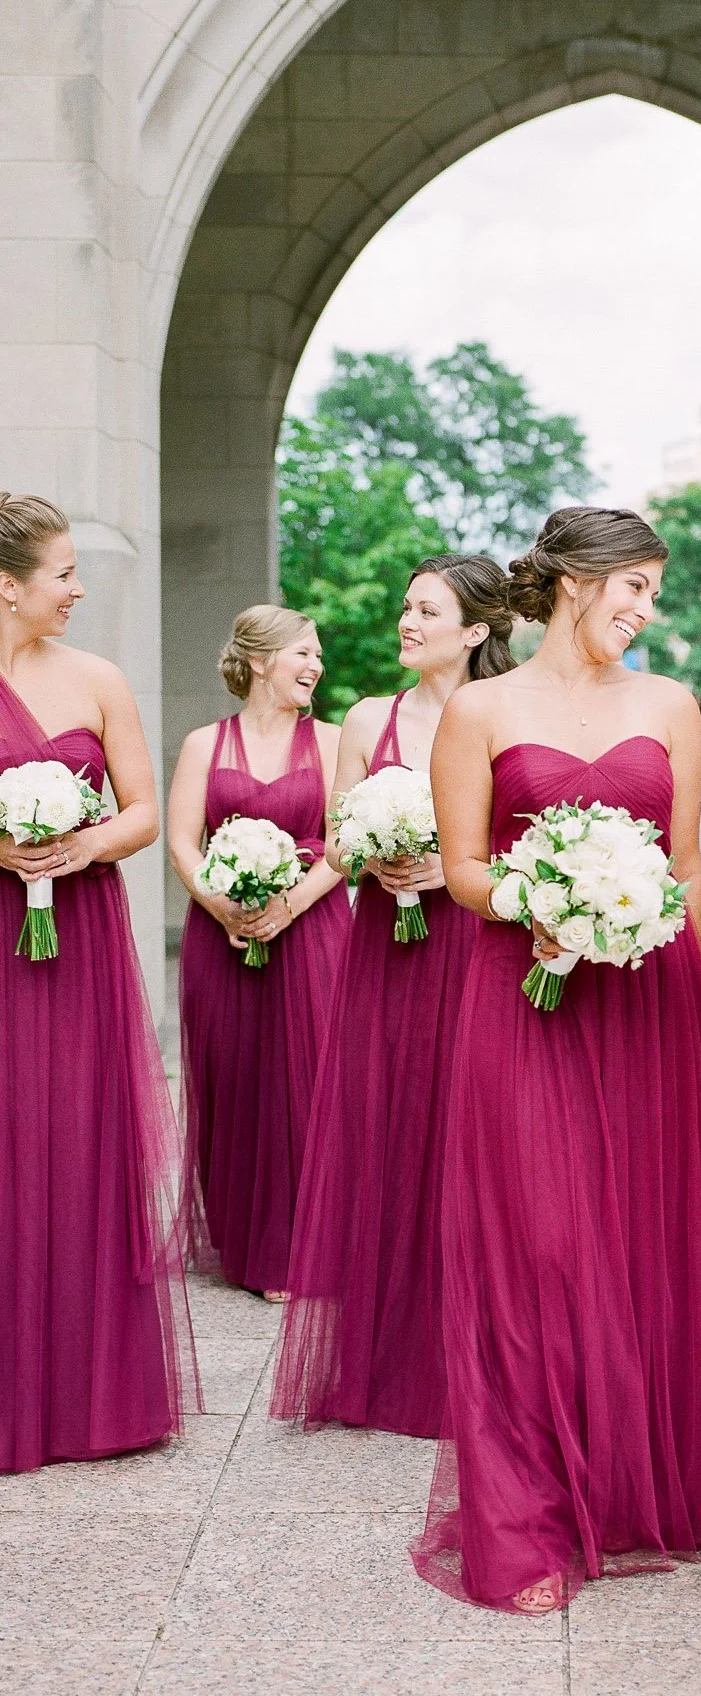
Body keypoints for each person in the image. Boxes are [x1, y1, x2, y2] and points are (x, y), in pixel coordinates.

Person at [410, 506, 701, 1614]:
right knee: (534, 1246)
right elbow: (459, 865)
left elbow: (685, 868)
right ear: (570, 582)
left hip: (654, 1010)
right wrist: (534, 903)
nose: (644, 612)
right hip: (525, 997)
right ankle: (524, 1516)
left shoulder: (670, 706)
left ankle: (637, 1493)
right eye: (632, 588)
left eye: (653, 591)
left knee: (641, 1241)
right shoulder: (481, 708)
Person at [272, 555, 515, 1436]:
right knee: (388, 1137)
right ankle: (386, 1363)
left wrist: (450, 874)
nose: (407, 622)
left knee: (467, 1144)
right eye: (406, 608)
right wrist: (374, 854)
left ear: (477, 629)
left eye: (427, 611)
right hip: (383, 953)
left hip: (468, 947)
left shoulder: (501, 712)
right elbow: (336, 840)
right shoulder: (370, 718)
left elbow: (514, 835)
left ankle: (471, 1365)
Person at [0, 493, 198, 1472]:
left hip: (74, 938)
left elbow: (144, 814)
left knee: (74, 1138)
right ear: (8, 586)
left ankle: (88, 1397)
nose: (78, 589)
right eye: (63, 573)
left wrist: (69, 849)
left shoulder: (99, 679)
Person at [169, 606, 349, 1302]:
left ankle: (305, 1248)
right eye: (304, 653)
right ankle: (247, 1241)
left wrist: (290, 903)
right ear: (260, 659)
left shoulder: (333, 742)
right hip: (225, 935)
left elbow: (344, 842)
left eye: (318, 656)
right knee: (234, 1080)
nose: (316, 667)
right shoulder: (202, 745)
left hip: (314, 930)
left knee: (310, 1084)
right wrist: (219, 903)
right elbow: (185, 841)